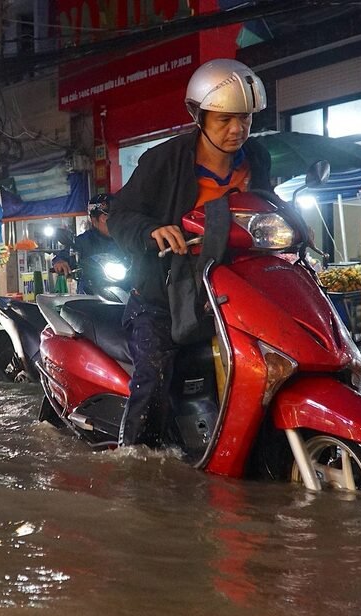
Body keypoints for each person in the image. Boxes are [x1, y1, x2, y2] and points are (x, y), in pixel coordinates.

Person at [106, 58, 272, 447]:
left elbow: (263, 205)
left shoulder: (257, 158)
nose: (237, 130)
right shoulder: (163, 160)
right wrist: (153, 230)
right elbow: (120, 215)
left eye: (245, 119)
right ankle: (139, 460)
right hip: (159, 297)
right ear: (197, 116)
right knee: (154, 379)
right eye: (224, 120)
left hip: (227, 292)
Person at [51, 194, 124, 294]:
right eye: (105, 218)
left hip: (124, 291)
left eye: (116, 217)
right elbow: (64, 255)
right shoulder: (83, 241)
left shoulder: (127, 238)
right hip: (91, 295)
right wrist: (60, 262)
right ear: (94, 220)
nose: (114, 222)